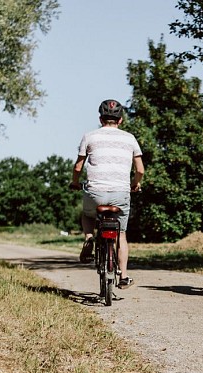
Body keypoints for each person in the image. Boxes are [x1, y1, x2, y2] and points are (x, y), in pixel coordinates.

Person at [69, 99, 144, 289]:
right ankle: (124, 276)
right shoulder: (130, 138)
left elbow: (78, 166)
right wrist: (135, 184)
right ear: (120, 120)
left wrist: (75, 183)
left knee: (87, 214)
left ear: (100, 119)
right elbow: (140, 170)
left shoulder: (89, 136)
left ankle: (88, 238)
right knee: (122, 235)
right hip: (121, 193)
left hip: (95, 193)